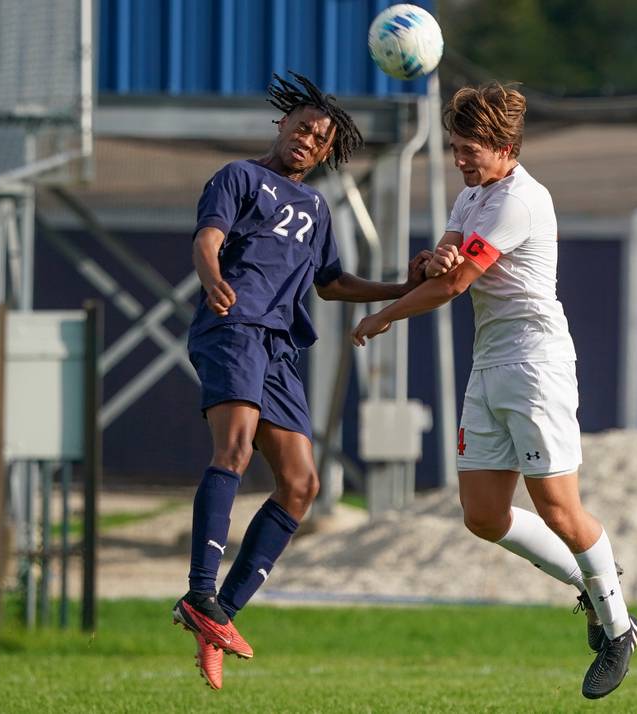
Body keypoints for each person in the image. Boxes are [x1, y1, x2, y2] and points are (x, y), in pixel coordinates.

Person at [352, 82, 637, 700]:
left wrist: (387, 314)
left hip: (536, 364)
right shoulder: (472, 197)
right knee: (483, 515)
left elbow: (457, 287)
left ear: (504, 147)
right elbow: (448, 265)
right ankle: (593, 582)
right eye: (455, 147)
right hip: (490, 364)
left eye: (469, 149)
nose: (459, 159)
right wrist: (432, 262)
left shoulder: (521, 200)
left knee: (559, 509)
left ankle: (617, 628)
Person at [172, 71, 431, 690]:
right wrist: (211, 276)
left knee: (301, 484)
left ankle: (220, 615)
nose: (309, 140)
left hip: (281, 347)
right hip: (232, 326)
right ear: (282, 125)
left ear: (326, 154)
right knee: (233, 449)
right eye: (304, 127)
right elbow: (208, 237)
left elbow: (332, 283)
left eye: (322, 139)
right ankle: (199, 592)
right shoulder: (239, 177)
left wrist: (404, 286)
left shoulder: (317, 208)